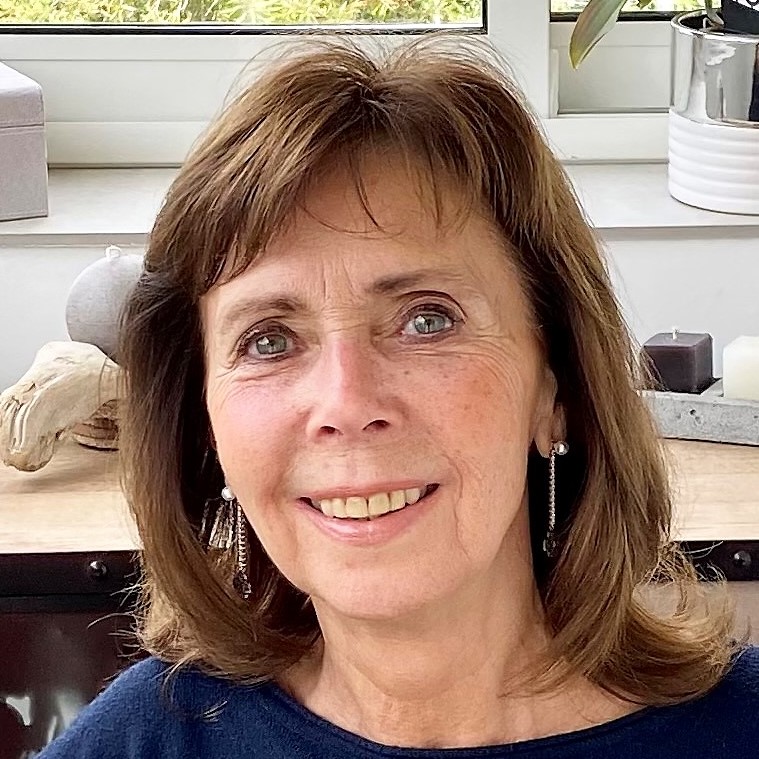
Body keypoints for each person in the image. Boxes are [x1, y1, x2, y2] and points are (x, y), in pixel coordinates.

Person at [39, 36, 758, 758]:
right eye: (268, 340)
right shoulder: (143, 738)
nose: (346, 403)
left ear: (556, 385)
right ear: (206, 425)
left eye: (427, 319)